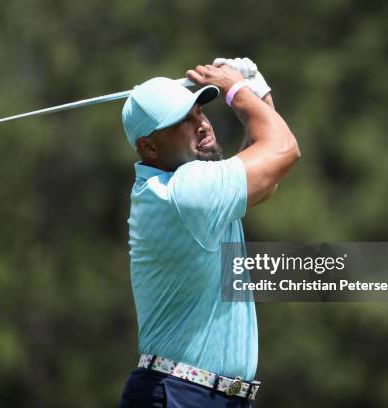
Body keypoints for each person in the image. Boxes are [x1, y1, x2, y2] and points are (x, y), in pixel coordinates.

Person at [119, 57, 300, 407]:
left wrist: (257, 94)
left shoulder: (188, 186)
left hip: (200, 394)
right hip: (180, 393)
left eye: (200, 111)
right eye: (182, 122)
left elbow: (267, 179)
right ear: (148, 147)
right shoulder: (185, 191)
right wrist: (239, 91)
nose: (201, 124)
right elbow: (284, 150)